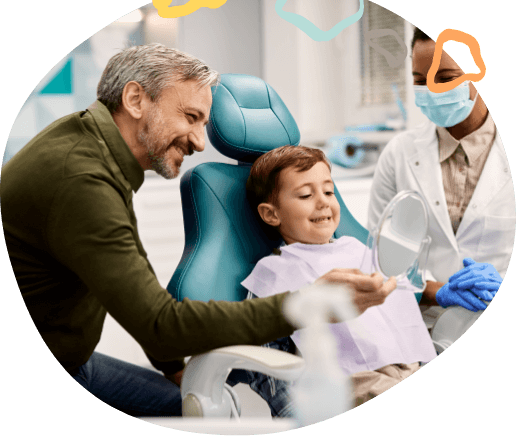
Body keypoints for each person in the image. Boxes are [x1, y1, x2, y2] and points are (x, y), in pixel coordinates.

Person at [2, 43, 396, 417]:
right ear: (136, 100)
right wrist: (307, 303)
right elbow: (159, 325)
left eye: (204, 123)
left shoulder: (93, 147)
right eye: (190, 118)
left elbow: (135, 281)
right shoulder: (82, 180)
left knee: (190, 407)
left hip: (70, 356)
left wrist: (179, 373)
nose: (200, 142)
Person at [232, 144, 436, 413]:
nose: (324, 201)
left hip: (407, 364)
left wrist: (438, 289)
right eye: (305, 195)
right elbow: (268, 362)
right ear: (271, 214)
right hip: (350, 382)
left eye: (329, 191)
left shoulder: (357, 249)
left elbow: (400, 291)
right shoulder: (273, 273)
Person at [368, 28, 513, 328]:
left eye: (445, 77)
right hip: (421, 326)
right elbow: (377, 260)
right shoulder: (399, 154)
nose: (432, 89)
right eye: (420, 81)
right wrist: (439, 293)